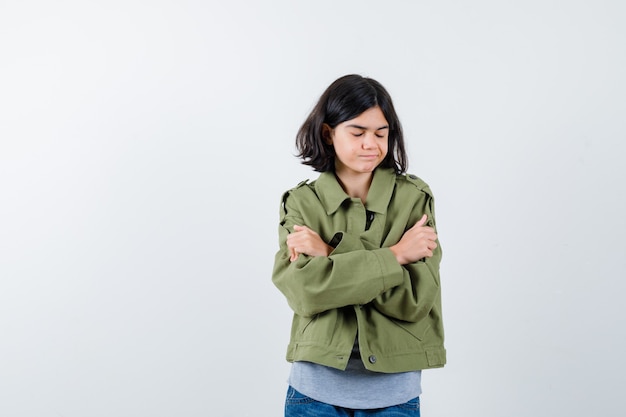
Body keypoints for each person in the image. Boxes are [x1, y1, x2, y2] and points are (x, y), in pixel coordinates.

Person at [272, 74, 446, 417]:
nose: (371, 144)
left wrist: (331, 255)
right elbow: (307, 293)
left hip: (395, 395)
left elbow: (414, 301)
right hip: (313, 393)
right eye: (357, 132)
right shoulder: (302, 203)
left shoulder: (413, 199)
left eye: (381, 133)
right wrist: (395, 256)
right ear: (328, 133)